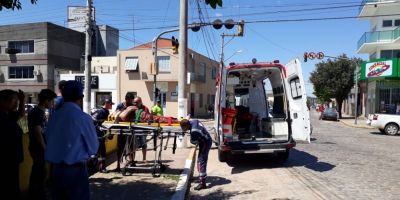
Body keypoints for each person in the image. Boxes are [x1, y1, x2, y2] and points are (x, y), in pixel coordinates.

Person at [45, 80, 99, 200]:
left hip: (56, 170)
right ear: (81, 97)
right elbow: (93, 147)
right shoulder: (83, 118)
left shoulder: (54, 117)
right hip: (76, 170)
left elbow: (47, 137)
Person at [27, 89, 57, 200]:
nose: (53, 103)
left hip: (40, 147)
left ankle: (38, 193)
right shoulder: (37, 113)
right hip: (38, 148)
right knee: (38, 172)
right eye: (52, 101)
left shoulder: (40, 112)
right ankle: (36, 195)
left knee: (40, 171)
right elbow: (37, 132)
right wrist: (45, 148)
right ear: (46, 100)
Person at [0, 89, 25, 199]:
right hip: (5, 161)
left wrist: (22, 100)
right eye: (13, 100)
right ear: (2, 101)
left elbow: (21, 116)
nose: (16, 103)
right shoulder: (2, 117)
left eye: (17, 100)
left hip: (13, 160)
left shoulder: (8, 114)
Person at [180, 118, 212, 190]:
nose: (183, 130)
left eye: (183, 128)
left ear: (186, 126)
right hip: (205, 139)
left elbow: (193, 143)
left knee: (201, 161)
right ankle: (201, 179)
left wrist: (191, 139)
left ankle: (202, 183)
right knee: (200, 161)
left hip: (205, 143)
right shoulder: (194, 121)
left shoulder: (194, 132)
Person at [113, 92, 135, 171]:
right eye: (130, 100)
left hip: (130, 129)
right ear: (126, 99)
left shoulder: (133, 106)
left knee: (131, 147)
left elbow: (134, 117)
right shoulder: (120, 106)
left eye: (132, 100)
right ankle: (118, 165)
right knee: (119, 148)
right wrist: (124, 110)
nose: (131, 102)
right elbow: (116, 115)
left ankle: (132, 163)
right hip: (121, 129)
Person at [91, 98, 114, 173]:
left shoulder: (106, 111)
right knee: (100, 151)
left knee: (101, 150)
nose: (111, 106)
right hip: (98, 134)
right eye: (110, 104)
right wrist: (98, 127)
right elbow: (93, 120)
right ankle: (100, 167)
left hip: (101, 134)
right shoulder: (101, 111)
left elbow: (104, 123)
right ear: (106, 104)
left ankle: (99, 166)